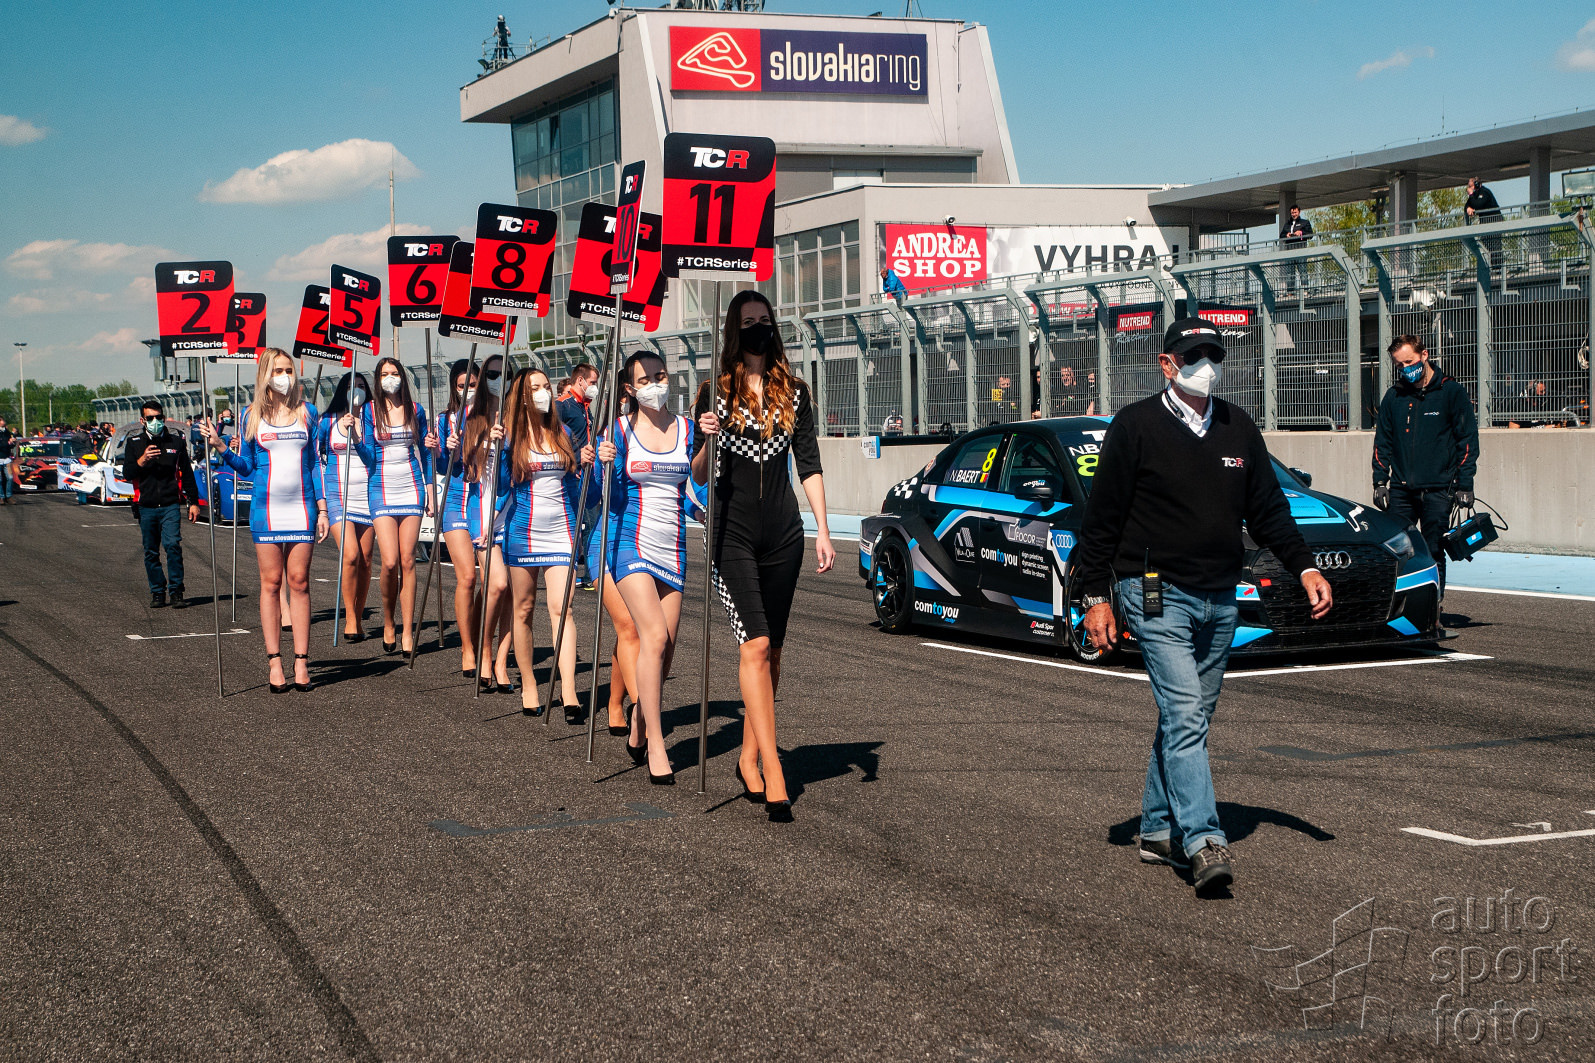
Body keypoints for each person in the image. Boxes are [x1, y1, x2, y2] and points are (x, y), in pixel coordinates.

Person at [1074, 318, 1332, 892]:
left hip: (1221, 594)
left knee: (1187, 716)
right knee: (1187, 713)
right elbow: (1101, 521)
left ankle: (1155, 828)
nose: (1206, 366)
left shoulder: (1239, 427)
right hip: (1153, 592)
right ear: (1167, 365)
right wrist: (1095, 598)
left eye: (1214, 355)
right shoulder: (1135, 426)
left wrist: (1305, 566)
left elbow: (1269, 510)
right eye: (1193, 357)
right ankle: (1203, 840)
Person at [693, 290, 835, 821]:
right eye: (748, 321)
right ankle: (774, 768)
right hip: (730, 532)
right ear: (734, 330)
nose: (758, 328)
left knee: (772, 651)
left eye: (765, 320)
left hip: (784, 533)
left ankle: (749, 756)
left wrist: (823, 529)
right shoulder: (713, 391)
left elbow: (809, 464)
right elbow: (697, 474)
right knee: (753, 645)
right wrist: (706, 438)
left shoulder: (795, 393)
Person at [592, 349, 697, 784]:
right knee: (651, 636)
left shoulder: (688, 428)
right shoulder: (617, 431)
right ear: (630, 389)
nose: (655, 384)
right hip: (628, 542)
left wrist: (705, 503)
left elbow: (695, 489)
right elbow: (605, 499)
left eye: (660, 375)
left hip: (673, 546)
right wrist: (601, 467)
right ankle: (657, 742)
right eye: (645, 379)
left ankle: (639, 721)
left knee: (665, 649)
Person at [207, 350, 326, 692]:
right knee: (271, 583)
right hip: (266, 510)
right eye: (278, 370)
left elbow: (314, 465)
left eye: (288, 370)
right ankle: (274, 662)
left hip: (302, 508)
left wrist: (323, 509)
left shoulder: (308, 412)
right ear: (265, 375)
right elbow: (246, 468)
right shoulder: (251, 415)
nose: (284, 376)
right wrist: (221, 448)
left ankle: (301, 662)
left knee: (299, 582)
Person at [498, 368, 590, 718]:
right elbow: (501, 486)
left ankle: (568, 690)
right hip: (523, 531)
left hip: (562, 530)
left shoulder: (562, 432)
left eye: (546, 386)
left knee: (563, 608)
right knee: (523, 609)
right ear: (521, 396)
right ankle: (529, 684)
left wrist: (585, 466)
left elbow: (575, 485)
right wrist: (498, 451)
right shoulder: (510, 436)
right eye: (534, 387)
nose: (542, 392)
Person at [1372, 335, 1479, 596]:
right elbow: (1382, 442)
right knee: (1398, 549)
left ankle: (1434, 606)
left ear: (1424, 355)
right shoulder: (1394, 397)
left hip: (1439, 489)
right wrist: (1380, 481)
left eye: (1409, 362)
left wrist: (1465, 484)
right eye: (1399, 365)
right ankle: (1400, 604)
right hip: (1401, 490)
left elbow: (1467, 441)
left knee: (1433, 550)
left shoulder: (1450, 392)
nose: (1405, 368)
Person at [356, 357, 438, 656]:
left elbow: (425, 453)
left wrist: (430, 489)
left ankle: (407, 630)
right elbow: (368, 457)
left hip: (412, 486)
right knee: (389, 562)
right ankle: (388, 621)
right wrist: (356, 438)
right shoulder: (369, 410)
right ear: (377, 380)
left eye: (394, 373)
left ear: (402, 376)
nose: (390, 378)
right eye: (384, 374)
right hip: (380, 487)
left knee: (408, 560)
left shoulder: (416, 410)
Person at [449, 355, 515, 690]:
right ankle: (482, 650)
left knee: (513, 593)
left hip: (516, 510)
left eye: (504, 374)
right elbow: (467, 473)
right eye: (490, 374)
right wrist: (447, 449)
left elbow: (515, 477)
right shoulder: (471, 417)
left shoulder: (520, 417)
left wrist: (507, 449)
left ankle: (501, 661)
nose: (497, 379)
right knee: (497, 583)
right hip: (482, 508)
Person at [436, 358, 491, 675]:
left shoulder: (492, 416)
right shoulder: (445, 419)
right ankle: (468, 648)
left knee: (493, 581)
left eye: (472, 384)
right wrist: (444, 448)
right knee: (467, 577)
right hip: (456, 498)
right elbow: (440, 466)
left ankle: (480, 630)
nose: (467, 390)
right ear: (453, 388)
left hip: (483, 499)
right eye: (461, 385)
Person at [122, 400, 200, 608]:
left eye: (158, 417)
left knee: (173, 545)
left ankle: (176, 591)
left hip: (170, 504)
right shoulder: (134, 442)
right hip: (146, 505)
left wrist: (193, 502)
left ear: (163, 418)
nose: (155, 421)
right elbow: (127, 473)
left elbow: (187, 473)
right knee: (151, 551)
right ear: (143, 420)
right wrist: (142, 460)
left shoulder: (176, 441)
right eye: (150, 418)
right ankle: (157, 591)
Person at [319, 371, 376, 641]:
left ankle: (359, 614)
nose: (358, 390)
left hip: (368, 495)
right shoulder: (327, 421)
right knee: (350, 555)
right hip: (337, 495)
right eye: (353, 385)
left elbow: (373, 458)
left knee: (366, 560)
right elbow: (315, 456)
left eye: (362, 386)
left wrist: (357, 437)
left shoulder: (373, 421)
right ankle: (350, 619)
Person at [1465, 177, 1503, 272]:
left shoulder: (1484, 192)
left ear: (1477, 184)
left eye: (1471, 186)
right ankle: (1491, 265)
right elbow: (1469, 204)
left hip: (1494, 220)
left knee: (1494, 244)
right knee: (1485, 241)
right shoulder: (1475, 194)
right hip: (1485, 222)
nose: (1470, 189)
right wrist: (1468, 208)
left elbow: (1478, 204)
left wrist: (1471, 195)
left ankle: (1497, 267)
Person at [1280, 205, 1313, 292]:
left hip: (1301, 250)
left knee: (1303, 271)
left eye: (1295, 212)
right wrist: (1287, 235)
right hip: (1289, 251)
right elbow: (1281, 235)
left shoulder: (1305, 222)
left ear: (1299, 212)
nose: (1293, 214)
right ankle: (1290, 291)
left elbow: (1310, 234)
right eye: (1292, 213)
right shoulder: (1287, 224)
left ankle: (1305, 289)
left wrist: (1301, 233)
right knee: (1289, 273)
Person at [0, 415, 15, 504]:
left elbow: (11, 445)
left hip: (7, 459)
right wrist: (7, 443)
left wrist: (12, 443)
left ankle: (9, 496)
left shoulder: (7, 432)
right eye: (1, 420)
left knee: (10, 477)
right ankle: (1, 497)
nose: (3, 422)